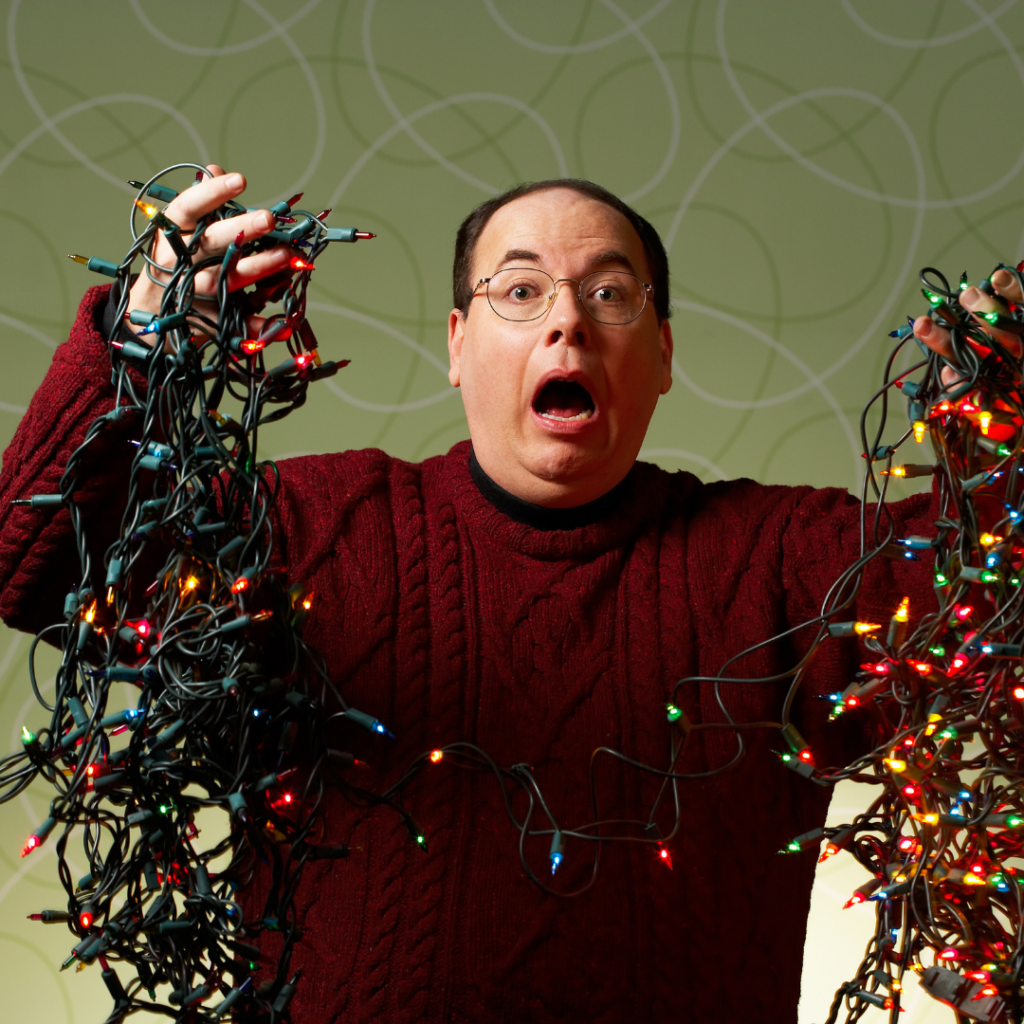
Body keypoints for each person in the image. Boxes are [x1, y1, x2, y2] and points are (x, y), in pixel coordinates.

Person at [0, 167, 1019, 1024]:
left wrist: (1002, 432)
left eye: (611, 293)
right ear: (455, 343)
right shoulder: (312, 531)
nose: (568, 319)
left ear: (662, 352)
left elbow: (990, 602)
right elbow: (38, 563)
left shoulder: (786, 565)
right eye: (520, 291)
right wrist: (143, 337)